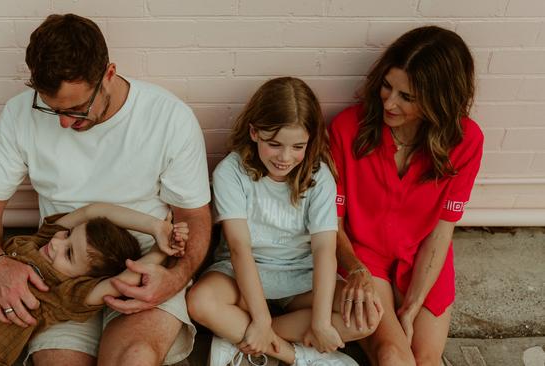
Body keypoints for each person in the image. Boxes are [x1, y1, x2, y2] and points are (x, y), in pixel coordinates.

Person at [0, 13, 212, 366]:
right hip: (58, 274)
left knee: (135, 357)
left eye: (77, 109)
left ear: (108, 74)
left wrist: (176, 277)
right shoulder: (18, 114)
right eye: (52, 109)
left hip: (144, 270)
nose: (63, 122)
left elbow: (195, 216)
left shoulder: (168, 118)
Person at [187, 77, 376, 366]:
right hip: (242, 276)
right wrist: (260, 318)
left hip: (301, 277)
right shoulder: (231, 172)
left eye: (298, 146)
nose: (285, 158)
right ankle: (296, 355)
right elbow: (239, 248)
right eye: (274, 144)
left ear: (310, 140)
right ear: (254, 132)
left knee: (366, 318)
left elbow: (324, 249)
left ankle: (238, 338)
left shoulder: (319, 175)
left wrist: (322, 322)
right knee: (200, 301)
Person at [328, 26, 484, 365]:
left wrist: (412, 307)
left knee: (425, 359)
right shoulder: (346, 128)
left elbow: (443, 230)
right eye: (387, 86)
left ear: (439, 99)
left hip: (421, 256)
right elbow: (332, 223)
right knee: (392, 355)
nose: (389, 101)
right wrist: (355, 271)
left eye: (407, 97)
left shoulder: (466, 140)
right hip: (364, 257)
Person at [0, 203, 188, 366]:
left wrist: (162, 250)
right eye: (67, 235)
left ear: (86, 279)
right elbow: (91, 211)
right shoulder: (40, 242)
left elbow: (123, 283)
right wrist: (154, 226)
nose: (57, 245)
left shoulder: (65, 295)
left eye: (70, 254)